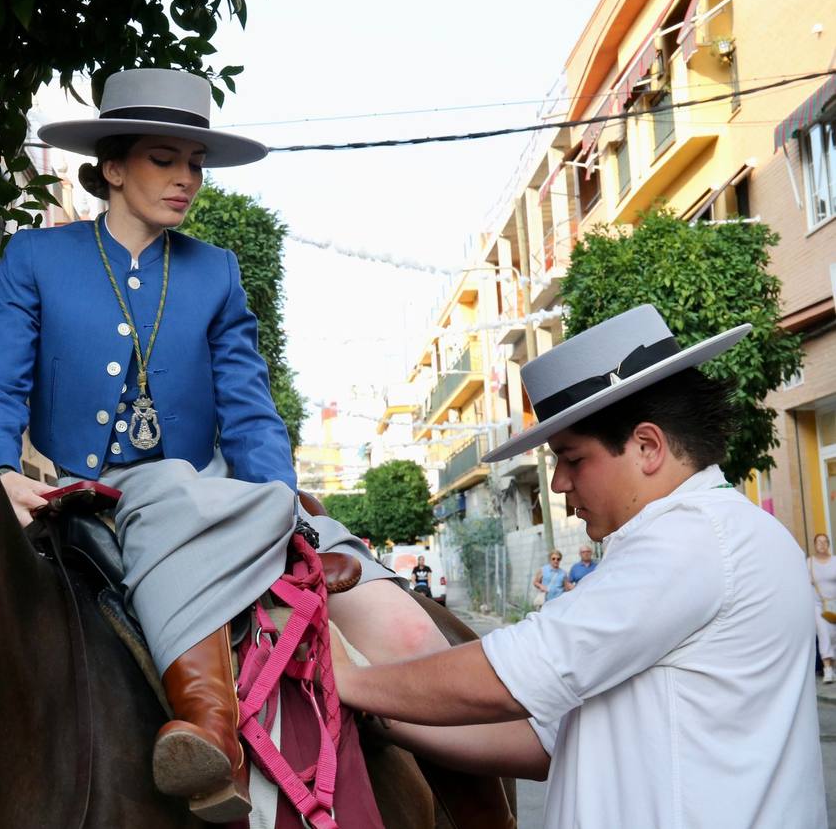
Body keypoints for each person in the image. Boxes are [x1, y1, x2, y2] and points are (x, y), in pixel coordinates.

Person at [0, 68, 450, 821]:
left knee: (386, 612)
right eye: (165, 159)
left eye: (194, 164)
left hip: (219, 482)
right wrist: (0, 469)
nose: (186, 179)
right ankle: (211, 733)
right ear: (111, 167)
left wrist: (278, 494)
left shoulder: (216, 271)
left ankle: (448, 766)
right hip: (81, 489)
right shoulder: (37, 258)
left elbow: (249, 404)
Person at [328, 305, 826, 828]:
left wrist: (348, 680)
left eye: (573, 458)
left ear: (647, 446)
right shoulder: (714, 534)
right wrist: (382, 719)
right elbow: (539, 739)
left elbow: (508, 678)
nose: (561, 484)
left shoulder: (693, 538)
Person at [809, 532, 836, 683]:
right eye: (819, 542)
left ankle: (833, 667)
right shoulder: (810, 563)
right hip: (818, 605)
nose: (822, 545)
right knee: (824, 633)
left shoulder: (834, 561)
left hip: (835, 604)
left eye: (825, 542)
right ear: (814, 545)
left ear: (828, 545)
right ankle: (827, 669)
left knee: (834, 636)